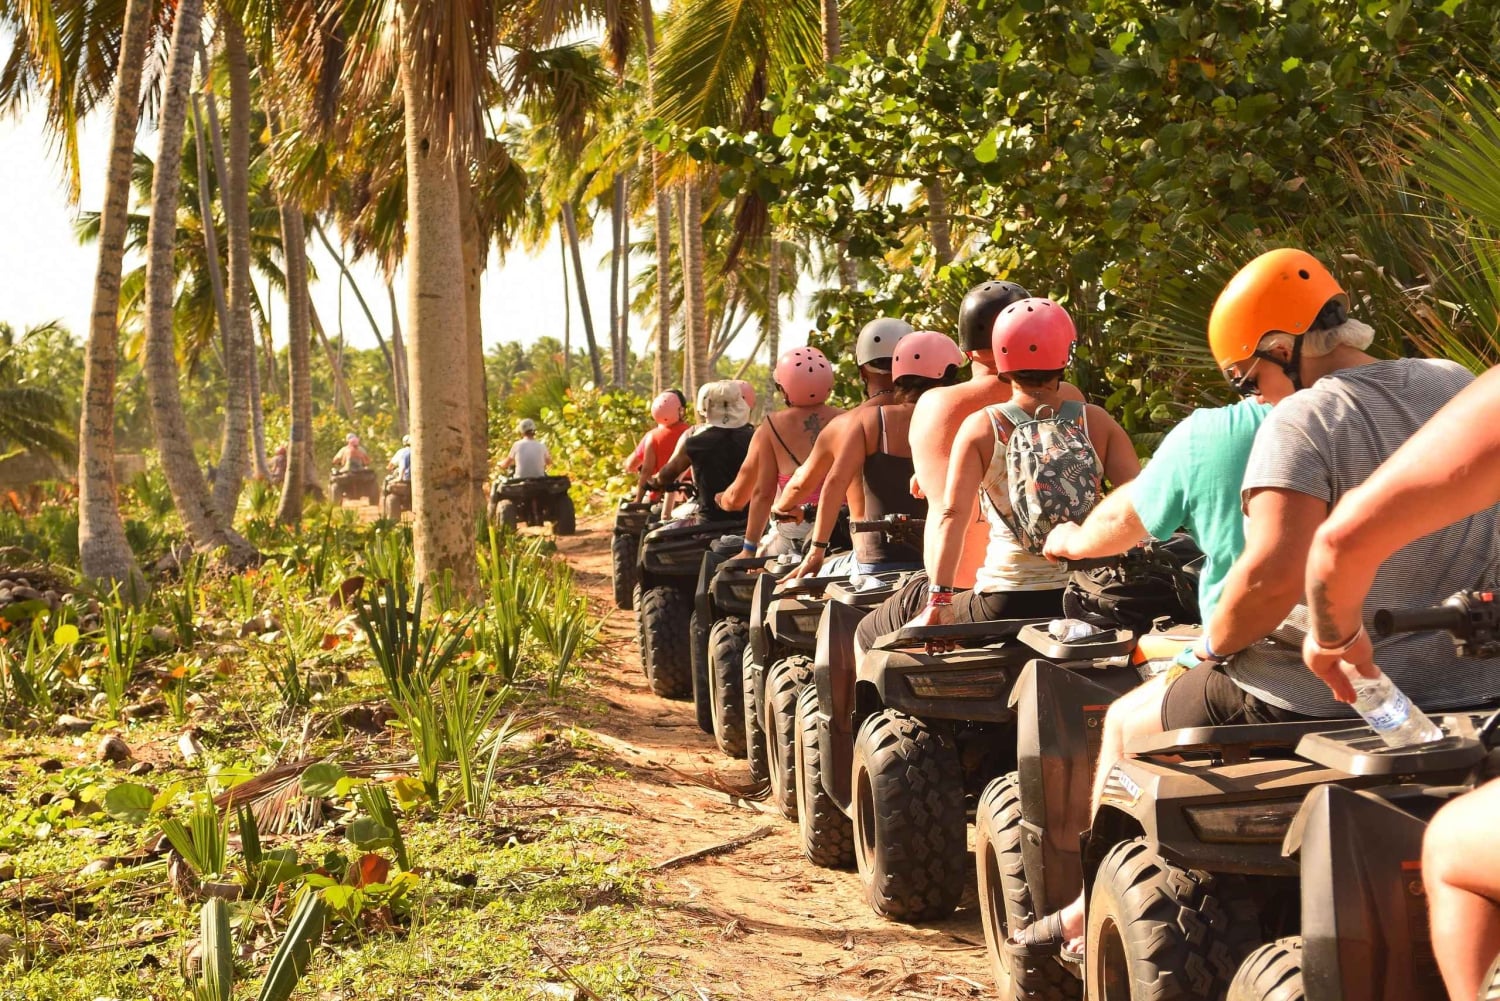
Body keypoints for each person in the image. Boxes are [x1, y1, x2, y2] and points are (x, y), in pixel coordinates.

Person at [1022, 247, 1500, 958]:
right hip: (1472, 685)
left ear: (1284, 348)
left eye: (1251, 377)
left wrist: (1207, 649)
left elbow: (1268, 580)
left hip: (1309, 693)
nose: (1257, 397)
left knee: (1127, 717)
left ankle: (1095, 912)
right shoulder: (1455, 383)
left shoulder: (1304, 420)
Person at [1297, 366, 1500, 1001]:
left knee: (1450, 845)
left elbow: (1339, 541)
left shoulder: (1307, 422)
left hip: (1293, 684)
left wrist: (1333, 639)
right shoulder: (1447, 379)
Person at [858, 299, 1137, 653]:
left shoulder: (982, 427)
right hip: (1084, 595)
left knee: (870, 636)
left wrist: (940, 602)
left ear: (1000, 356)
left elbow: (952, 515)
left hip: (1006, 600)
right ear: (1065, 354)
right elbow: (1138, 501)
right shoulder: (1094, 420)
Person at [909, 281, 1087, 590]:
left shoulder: (938, 404)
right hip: (1071, 583)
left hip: (969, 588)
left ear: (964, 350)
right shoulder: (1072, 400)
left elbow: (949, 509)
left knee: (868, 630)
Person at [1042, 395, 1268, 621]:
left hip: (1247, 634)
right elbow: (1130, 484)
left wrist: (1073, 539)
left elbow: (1128, 514)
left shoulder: (1210, 433)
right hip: (1297, 626)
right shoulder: (1094, 418)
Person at [783, 330, 968, 579]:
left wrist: (816, 551)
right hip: (944, 561)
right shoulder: (963, 420)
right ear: (949, 376)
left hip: (878, 563)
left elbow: (835, 482)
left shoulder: (872, 421)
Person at [775, 317, 915, 525]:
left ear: (862, 371)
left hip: (871, 549)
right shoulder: (938, 413)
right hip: (938, 545)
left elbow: (800, 484)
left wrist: (781, 507)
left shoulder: (846, 423)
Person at [716, 347, 843, 556]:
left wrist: (749, 548)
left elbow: (763, 494)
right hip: (843, 526)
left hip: (797, 530)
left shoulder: (772, 426)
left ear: (784, 388)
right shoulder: (849, 419)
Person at [648, 381, 755, 523]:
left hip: (709, 522)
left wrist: (656, 481)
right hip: (750, 521)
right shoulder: (755, 438)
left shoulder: (695, 442)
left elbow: (670, 472)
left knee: (654, 539)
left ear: (706, 406)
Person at [627, 390, 691, 501]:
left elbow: (646, 471)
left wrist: (638, 501)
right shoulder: (692, 432)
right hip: (689, 493)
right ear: (681, 410)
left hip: (660, 495)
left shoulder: (652, 437)